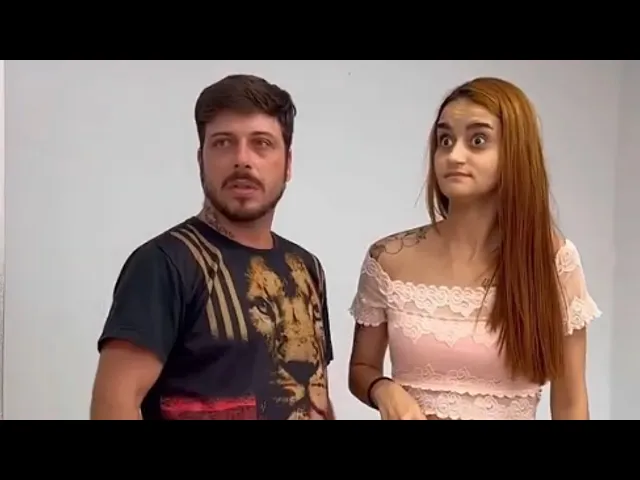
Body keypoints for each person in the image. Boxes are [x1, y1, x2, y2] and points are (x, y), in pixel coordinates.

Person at [347, 77, 601, 420]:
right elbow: (361, 368)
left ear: (516, 152)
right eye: (445, 140)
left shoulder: (554, 261)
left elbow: (570, 405)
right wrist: (384, 389)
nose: (454, 155)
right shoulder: (388, 260)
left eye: (477, 140)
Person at [90, 74, 334, 420]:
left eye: (262, 143)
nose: (242, 160)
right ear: (200, 159)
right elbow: (114, 404)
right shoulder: (164, 264)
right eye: (223, 143)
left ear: (288, 164)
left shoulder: (306, 267)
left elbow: (317, 397)